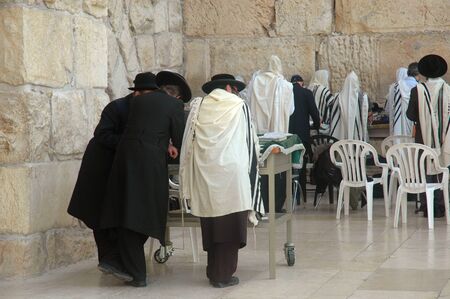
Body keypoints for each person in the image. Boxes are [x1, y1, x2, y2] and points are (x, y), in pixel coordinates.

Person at [99, 71, 191, 287]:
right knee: (146, 212)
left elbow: (143, 128)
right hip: (150, 164)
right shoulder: (175, 106)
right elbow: (179, 139)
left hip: (125, 159)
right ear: (177, 97)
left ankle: (129, 268)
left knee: (126, 211)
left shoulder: (137, 101)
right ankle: (136, 274)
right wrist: (171, 145)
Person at [67, 72, 158, 282]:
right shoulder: (117, 108)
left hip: (124, 169)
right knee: (101, 215)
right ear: (136, 93)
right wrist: (132, 143)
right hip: (102, 167)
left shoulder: (148, 109)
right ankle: (110, 261)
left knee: (123, 216)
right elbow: (103, 135)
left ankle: (119, 263)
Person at [179, 74, 263, 288]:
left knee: (212, 221)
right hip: (231, 172)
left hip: (205, 170)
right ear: (229, 87)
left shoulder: (200, 105)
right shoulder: (238, 105)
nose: (236, 92)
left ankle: (213, 269)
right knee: (230, 225)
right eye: (234, 88)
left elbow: (189, 138)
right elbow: (248, 138)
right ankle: (223, 275)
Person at [406, 54, 450, 217]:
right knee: (441, 169)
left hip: (422, 138)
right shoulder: (448, 90)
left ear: (424, 72)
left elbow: (410, 115)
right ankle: (441, 205)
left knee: (425, 170)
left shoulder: (416, 90)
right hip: (444, 138)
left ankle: (427, 207)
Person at [289, 74, 320, 204]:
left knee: (288, 165)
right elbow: (314, 112)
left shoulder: (287, 92)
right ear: (301, 83)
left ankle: (290, 193)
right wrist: (317, 125)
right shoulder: (306, 93)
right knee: (300, 164)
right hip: (302, 135)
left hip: (288, 135)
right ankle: (299, 195)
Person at [246, 55, 294, 134]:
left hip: (258, 129)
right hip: (277, 130)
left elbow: (248, 101)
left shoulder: (255, 81)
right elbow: (291, 110)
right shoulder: (286, 86)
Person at [329, 71, 369, 142]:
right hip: (358, 141)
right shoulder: (362, 98)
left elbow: (333, 117)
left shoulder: (338, 98)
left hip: (340, 141)